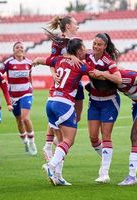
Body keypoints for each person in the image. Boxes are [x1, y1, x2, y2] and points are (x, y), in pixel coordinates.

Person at [33, 15, 83, 185]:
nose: (79, 26)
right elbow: (53, 61)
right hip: (64, 89)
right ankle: (49, 151)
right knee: (67, 138)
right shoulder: (58, 42)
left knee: (63, 139)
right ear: (68, 26)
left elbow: (46, 60)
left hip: (72, 86)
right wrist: (54, 73)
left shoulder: (77, 40)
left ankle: (58, 175)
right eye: (76, 23)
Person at [42, 38, 94, 186]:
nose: (85, 49)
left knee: (60, 142)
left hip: (50, 101)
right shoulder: (81, 65)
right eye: (84, 48)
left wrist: (36, 62)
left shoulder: (58, 59)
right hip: (64, 104)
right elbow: (96, 73)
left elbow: (43, 60)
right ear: (78, 51)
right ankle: (50, 166)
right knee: (68, 141)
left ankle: (58, 176)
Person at [84, 33, 122, 183]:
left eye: (99, 45)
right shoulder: (88, 55)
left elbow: (118, 78)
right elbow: (72, 54)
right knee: (93, 138)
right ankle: (106, 159)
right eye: (94, 44)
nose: (95, 47)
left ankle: (104, 172)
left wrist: (102, 73)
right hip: (93, 101)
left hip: (109, 102)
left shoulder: (108, 61)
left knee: (105, 136)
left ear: (105, 46)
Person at [0, 42, 37, 156]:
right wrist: (4, 85)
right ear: (14, 50)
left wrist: (31, 87)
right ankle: (25, 142)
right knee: (19, 120)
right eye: (17, 47)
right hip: (13, 96)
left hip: (26, 93)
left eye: (21, 47)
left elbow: (29, 76)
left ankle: (32, 142)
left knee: (25, 118)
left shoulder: (28, 62)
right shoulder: (8, 63)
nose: (20, 49)